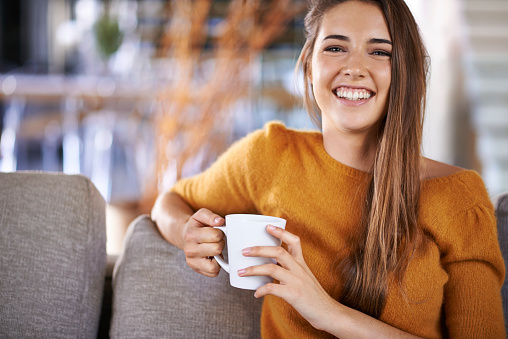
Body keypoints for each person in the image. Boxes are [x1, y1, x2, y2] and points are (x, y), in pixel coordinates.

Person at [151, 0, 506, 337]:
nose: (354, 67)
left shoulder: (460, 198)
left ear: (406, 72)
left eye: (379, 51)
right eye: (335, 48)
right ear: (308, 63)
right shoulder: (271, 155)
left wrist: (326, 311)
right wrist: (188, 233)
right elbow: (170, 201)